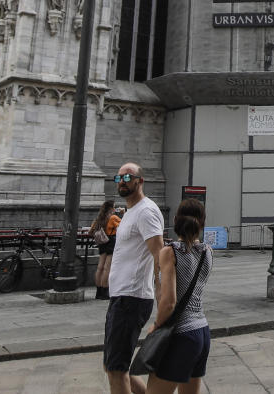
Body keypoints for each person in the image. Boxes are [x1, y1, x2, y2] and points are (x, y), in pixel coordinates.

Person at [104, 162, 165, 394]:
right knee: (114, 367)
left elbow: (160, 257)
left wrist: (163, 300)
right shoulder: (130, 212)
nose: (122, 182)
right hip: (120, 296)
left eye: (127, 177)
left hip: (132, 297)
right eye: (118, 178)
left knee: (116, 370)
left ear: (140, 181)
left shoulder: (146, 211)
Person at [144, 198, 212, 394]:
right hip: (202, 331)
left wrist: (156, 326)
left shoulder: (170, 252)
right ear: (203, 222)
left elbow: (169, 302)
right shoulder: (208, 251)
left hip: (180, 334)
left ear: (175, 219)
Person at [91, 200, 122, 300]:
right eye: (114, 207)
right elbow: (124, 226)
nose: (115, 209)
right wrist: (124, 213)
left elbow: (91, 230)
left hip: (102, 242)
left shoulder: (100, 218)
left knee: (100, 267)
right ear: (110, 208)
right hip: (111, 242)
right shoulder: (113, 218)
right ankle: (105, 291)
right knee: (107, 268)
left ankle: (98, 292)